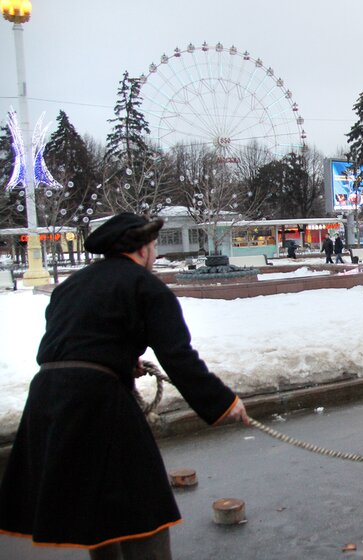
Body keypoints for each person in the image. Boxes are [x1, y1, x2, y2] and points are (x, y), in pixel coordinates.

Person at [0, 213, 250, 559]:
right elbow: (178, 358)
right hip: (99, 402)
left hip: (47, 398)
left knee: (93, 498)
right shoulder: (146, 286)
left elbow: (77, 341)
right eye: (154, 246)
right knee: (142, 499)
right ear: (142, 248)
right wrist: (224, 402)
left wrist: (120, 361)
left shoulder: (72, 284)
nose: (156, 253)